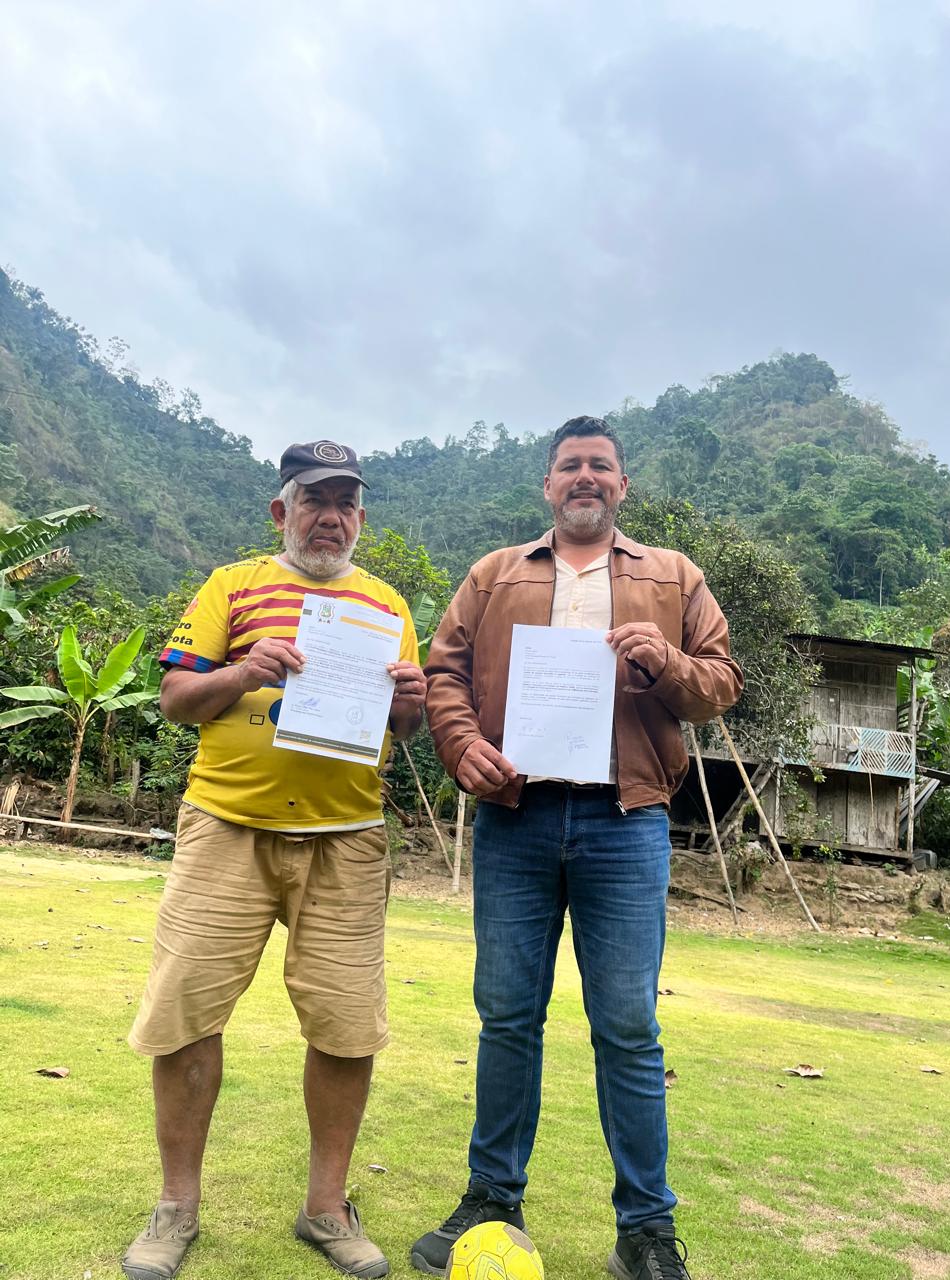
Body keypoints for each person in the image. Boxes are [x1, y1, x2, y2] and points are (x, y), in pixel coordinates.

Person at [412, 416, 743, 1280]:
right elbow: (444, 673)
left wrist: (665, 660)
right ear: (548, 485)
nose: (585, 477)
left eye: (601, 465)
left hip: (625, 823)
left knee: (628, 1027)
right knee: (507, 1015)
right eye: (570, 466)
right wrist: (460, 744)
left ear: (622, 485)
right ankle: (492, 1198)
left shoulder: (674, 575)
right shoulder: (494, 574)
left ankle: (646, 1230)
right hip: (515, 817)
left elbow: (721, 685)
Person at [122, 440, 426, 1280]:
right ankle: (176, 1208)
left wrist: (410, 703)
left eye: (345, 503)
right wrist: (244, 671)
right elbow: (175, 698)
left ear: (360, 517)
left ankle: (326, 1208)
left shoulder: (386, 604)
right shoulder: (232, 585)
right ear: (281, 510)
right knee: (187, 1013)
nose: (331, 517)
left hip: (347, 837)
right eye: (314, 499)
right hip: (226, 827)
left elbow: (403, 727)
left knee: (346, 1026)